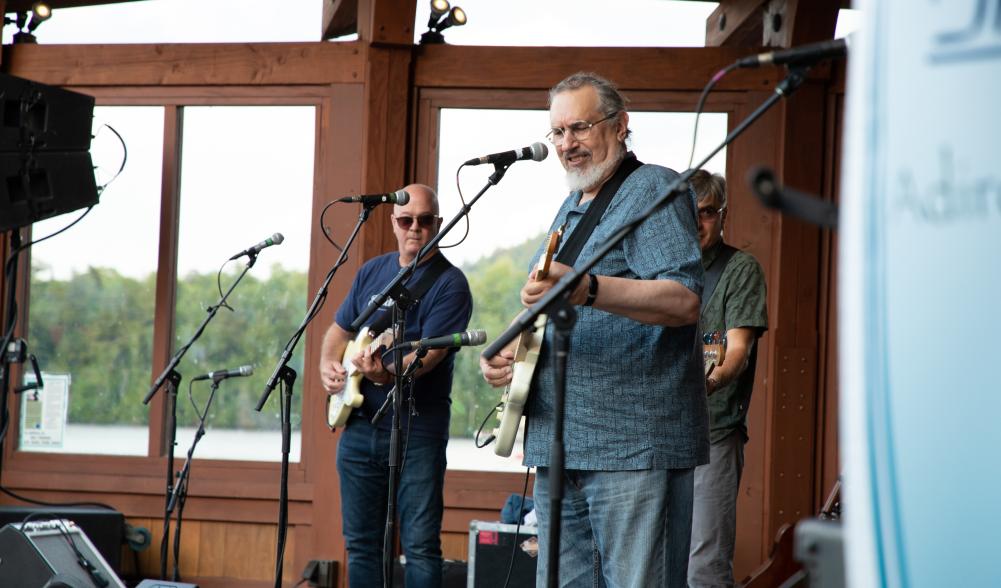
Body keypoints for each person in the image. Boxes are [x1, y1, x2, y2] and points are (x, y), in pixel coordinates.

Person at [480, 72, 708, 587]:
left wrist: (587, 287)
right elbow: (561, 310)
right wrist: (511, 353)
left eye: (579, 128)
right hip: (561, 447)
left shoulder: (654, 188)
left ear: (622, 124)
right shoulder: (572, 204)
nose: (566, 144)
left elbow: (684, 299)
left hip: (634, 447)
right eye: (557, 132)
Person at [319, 184, 473, 588]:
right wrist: (327, 364)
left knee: (421, 546)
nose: (415, 228)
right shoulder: (373, 270)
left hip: (417, 430)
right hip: (358, 424)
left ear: (439, 225)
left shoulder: (450, 284)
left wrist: (385, 374)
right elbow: (339, 330)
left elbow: (429, 357)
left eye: (425, 221)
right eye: (406, 220)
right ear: (393, 223)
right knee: (360, 544)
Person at [687, 170, 768, 588]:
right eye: (685, 213)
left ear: (722, 216)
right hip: (654, 437)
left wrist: (710, 382)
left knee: (704, 565)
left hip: (714, 432)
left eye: (705, 213)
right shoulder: (652, 271)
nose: (696, 223)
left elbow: (737, 352)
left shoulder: (740, 269)